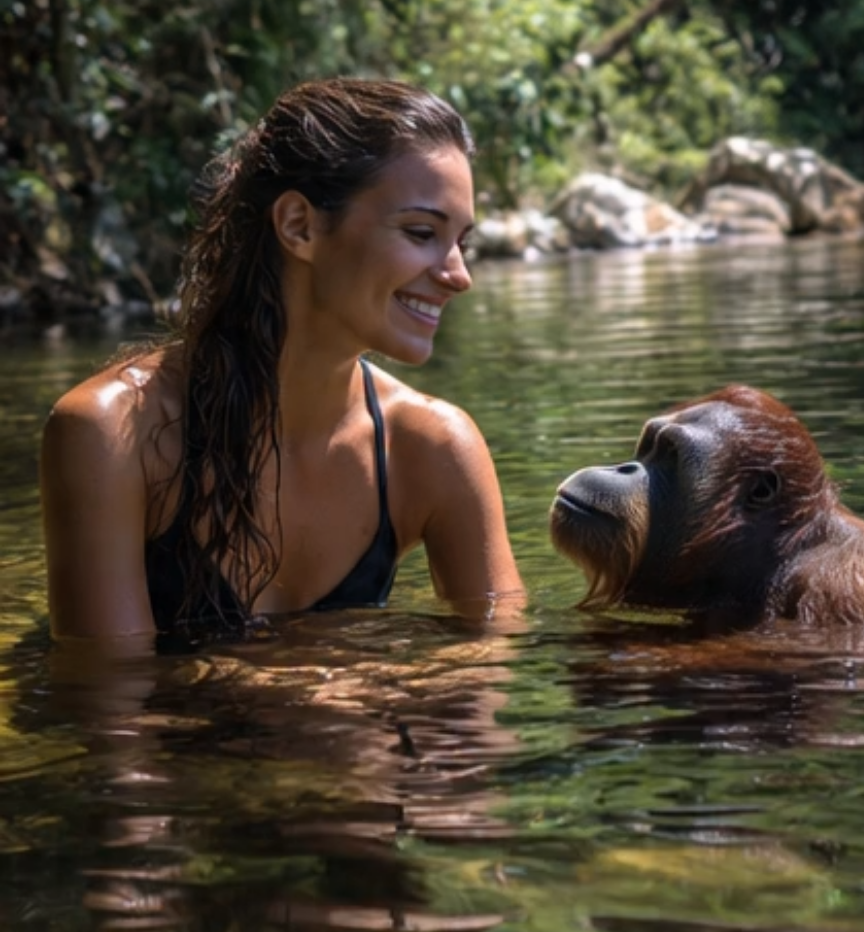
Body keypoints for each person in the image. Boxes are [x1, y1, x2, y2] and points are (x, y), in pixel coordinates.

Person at [42, 77, 525, 645]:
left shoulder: (433, 447)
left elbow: (488, 674)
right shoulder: (112, 435)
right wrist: (334, 684)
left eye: (461, 244)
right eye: (422, 232)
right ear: (299, 226)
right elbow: (110, 706)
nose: (458, 276)